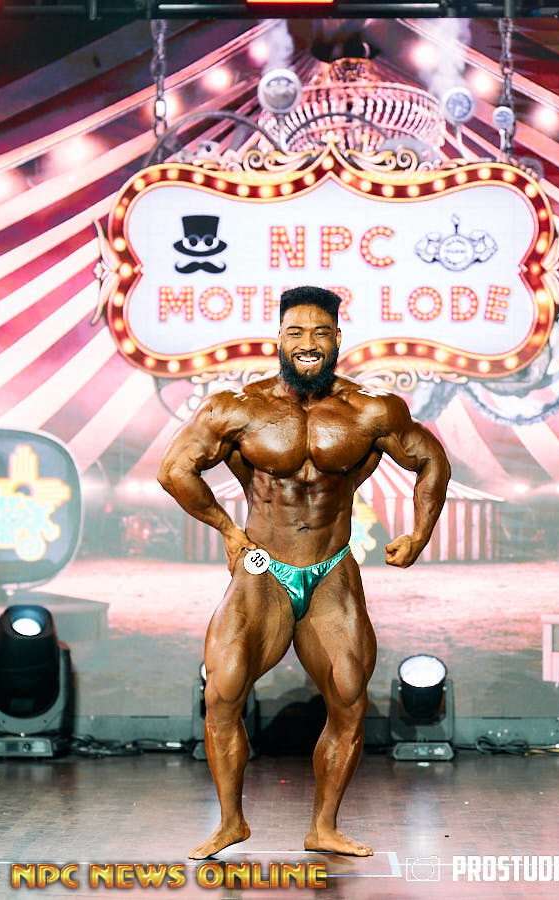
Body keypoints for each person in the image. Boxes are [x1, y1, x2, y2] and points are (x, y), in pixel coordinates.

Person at [158, 285, 451, 859]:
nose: (308, 343)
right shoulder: (238, 407)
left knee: (349, 695)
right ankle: (230, 823)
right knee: (223, 690)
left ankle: (324, 826)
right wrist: (228, 529)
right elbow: (175, 470)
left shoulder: (372, 410)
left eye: (320, 333)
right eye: (296, 332)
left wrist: (419, 534)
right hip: (262, 569)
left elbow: (430, 459)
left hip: (331, 569)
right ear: (279, 339)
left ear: (337, 339)